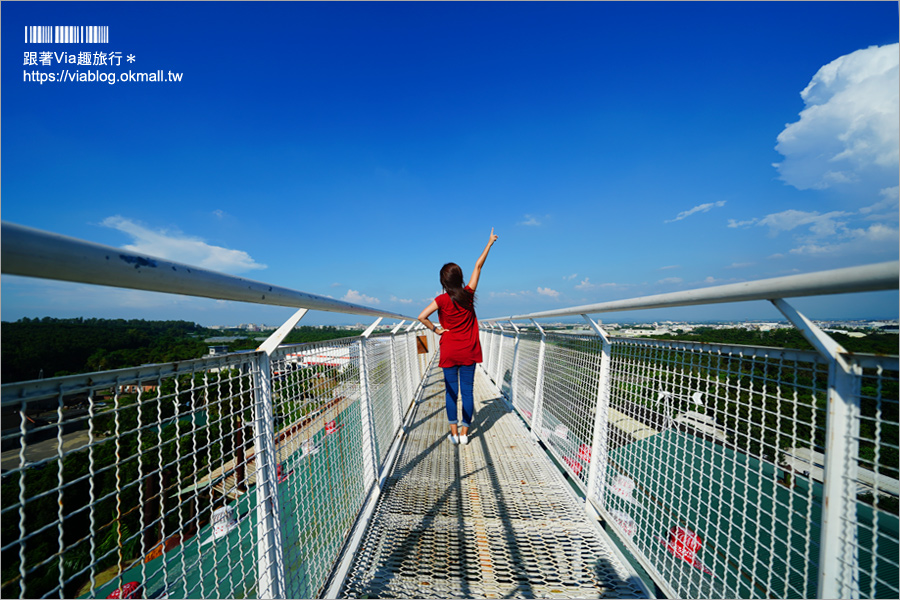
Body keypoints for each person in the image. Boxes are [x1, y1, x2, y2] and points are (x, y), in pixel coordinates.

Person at [418, 228, 499, 446]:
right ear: (460, 279)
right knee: (468, 391)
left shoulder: (441, 300)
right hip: (469, 350)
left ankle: (453, 434)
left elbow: (421, 317)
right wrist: (489, 243)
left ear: (443, 282)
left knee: (451, 392)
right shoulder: (469, 295)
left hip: (449, 350)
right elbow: (478, 265)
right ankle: (465, 434)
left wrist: (436, 330)